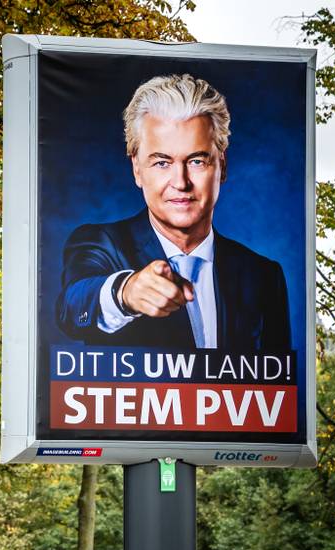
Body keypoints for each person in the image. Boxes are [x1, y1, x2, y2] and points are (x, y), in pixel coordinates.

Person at [55, 74, 290, 351]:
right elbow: (72, 305)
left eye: (196, 161)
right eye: (162, 163)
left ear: (222, 166)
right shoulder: (100, 244)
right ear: (137, 169)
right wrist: (126, 292)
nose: (181, 182)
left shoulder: (263, 276)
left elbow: (279, 376)